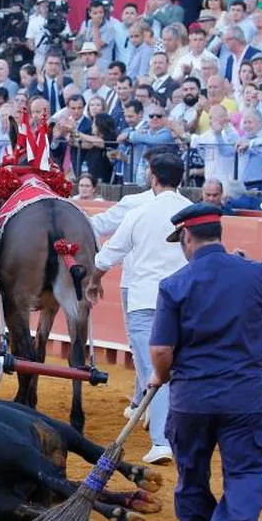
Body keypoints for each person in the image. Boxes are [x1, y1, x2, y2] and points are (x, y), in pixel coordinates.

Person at [150, 202, 262, 521]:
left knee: (192, 472)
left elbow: (160, 350)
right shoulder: (255, 273)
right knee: (245, 470)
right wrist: (251, 271)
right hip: (244, 395)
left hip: (192, 397)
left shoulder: (174, 284)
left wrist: (161, 377)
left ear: (188, 238)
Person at [87, 153, 191, 464]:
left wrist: (94, 282)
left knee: (153, 369)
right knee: (183, 367)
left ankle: (162, 441)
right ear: (181, 179)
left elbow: (106, 257)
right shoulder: (193, 213)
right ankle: (176, 431)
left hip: (146, 299)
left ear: (153, 177)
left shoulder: (139, 211)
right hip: (187, 300)